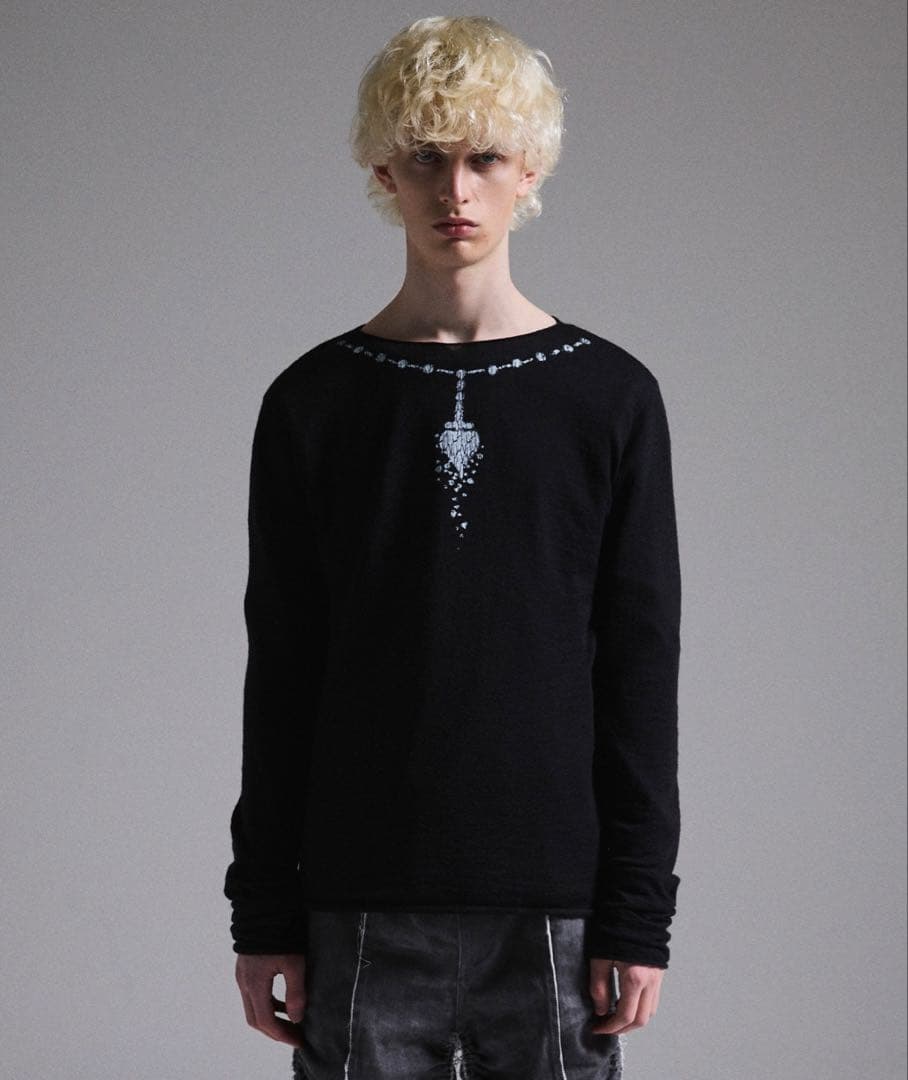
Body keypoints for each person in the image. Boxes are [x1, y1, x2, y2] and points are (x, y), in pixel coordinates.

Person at [223, 15, 682, 1079]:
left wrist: (637, 912)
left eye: (484, 158)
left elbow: (638, 666)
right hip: (358, 900)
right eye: (426, 158)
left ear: (530, 170)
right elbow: (282, 668)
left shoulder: (608, 397)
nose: (455, 191)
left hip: (557, 906)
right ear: (385, 171)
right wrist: (265, 909)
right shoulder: (314, 402)